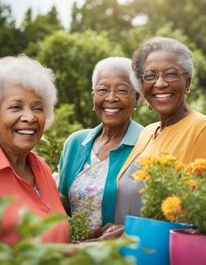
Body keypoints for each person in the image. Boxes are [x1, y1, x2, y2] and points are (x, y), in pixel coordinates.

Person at [111, 36, 206, 227]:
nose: (159, 83)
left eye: (170, 74)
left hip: (170, 253)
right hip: (132, 251)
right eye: (150, 76)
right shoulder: (147, 133)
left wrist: (136, 232)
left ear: (187, 82)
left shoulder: (203, 129)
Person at [0, 55, 68, 244]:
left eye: (38, 108)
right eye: (16, 107)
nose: (30, 117)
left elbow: (54, 242)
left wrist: (91, 245)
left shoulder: (40, 168)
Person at [57, 57, 143, 229]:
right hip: (77, 251)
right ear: (93, 97)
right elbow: (62, 202)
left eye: (122, 90)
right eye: (102, 90)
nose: (111, 98)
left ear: (136, 98)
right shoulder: (76, 143)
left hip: (126, 250)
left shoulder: (148, 144)